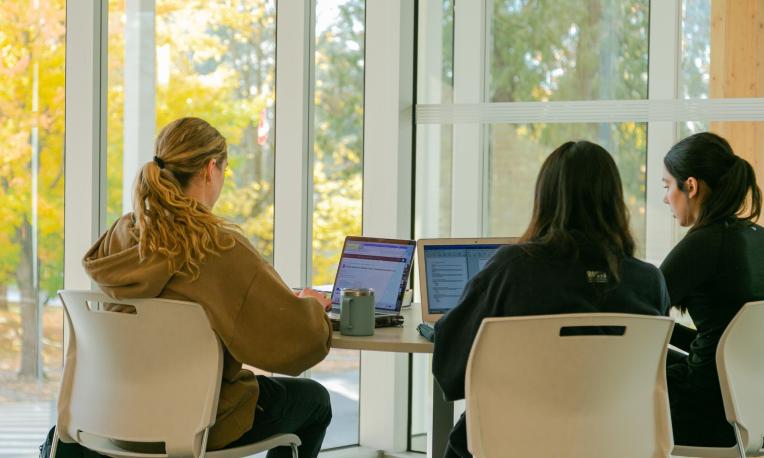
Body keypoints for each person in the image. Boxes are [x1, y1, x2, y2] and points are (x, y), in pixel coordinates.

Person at [74, 117, 332, 457]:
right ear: (210, 169)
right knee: (315, 400)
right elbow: (296, 342)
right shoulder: (218, 248)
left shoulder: (121, 236)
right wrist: (310, 306)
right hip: (202, 421)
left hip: (116, 416)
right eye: (224, 170)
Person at [432, 140, 670, 458]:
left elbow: (452, 368)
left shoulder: (512, 269)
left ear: (545, 199)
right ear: (615, 201)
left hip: (515, 440)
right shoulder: (648, 281)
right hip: (615, 441)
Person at [660, 131, 764, 447]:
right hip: (750, 409)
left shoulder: (704, 243)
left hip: (703, 413)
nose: (666, 198)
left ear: (690, 186)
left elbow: (640, 312)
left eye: (667, 186)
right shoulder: (757, 237)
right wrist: (668, 333)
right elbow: (726, 339)